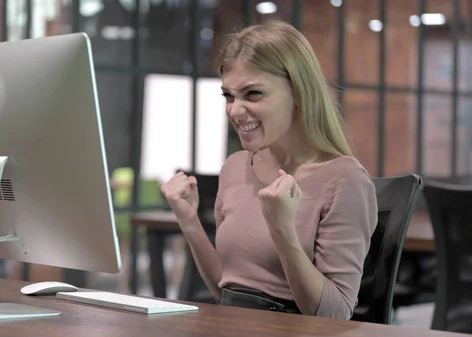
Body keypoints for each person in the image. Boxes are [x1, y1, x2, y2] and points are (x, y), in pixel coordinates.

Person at [160, 20, 378, 320]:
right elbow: (226, 293)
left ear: (299, 93)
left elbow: (335, 315)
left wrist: (283, 231)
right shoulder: (235, 167)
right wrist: (190, 223)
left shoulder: (345, 179)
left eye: (253, 94)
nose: (234, 110)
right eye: (229, 95)